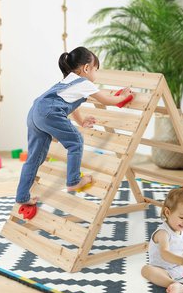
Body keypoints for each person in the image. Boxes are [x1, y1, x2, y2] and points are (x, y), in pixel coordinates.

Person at [16, 46, 134, 205]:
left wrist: (81, 121)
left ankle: (22, 197)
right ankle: (73, 180)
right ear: (86, 68)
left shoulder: (67, 80)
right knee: (76, 141)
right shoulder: (85, 83)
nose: (96, 74)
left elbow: (70, 104)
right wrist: (123, 97)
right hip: (48, 112)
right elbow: (105, 100)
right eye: (96, 70)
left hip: (35, 112)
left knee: (34, 158)